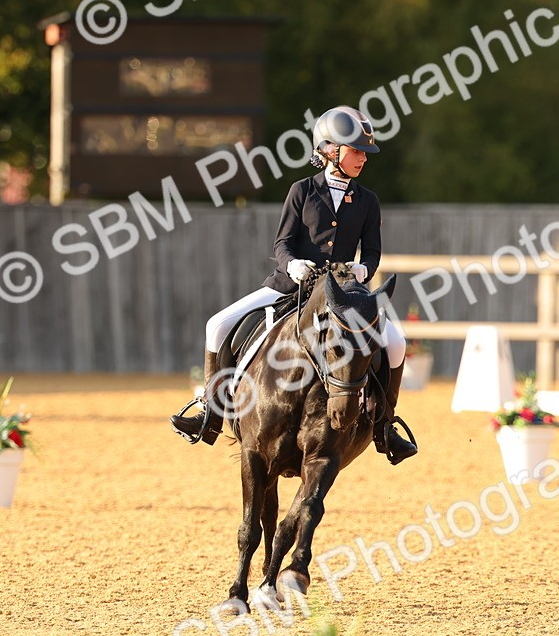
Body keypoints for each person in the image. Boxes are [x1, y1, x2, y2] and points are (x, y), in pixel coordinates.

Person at [170, 105, 418, 464]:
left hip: (341, 292)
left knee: (395, 342)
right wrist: (294, 264)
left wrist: (363, 270)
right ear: (330, 150)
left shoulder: (367, 201)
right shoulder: (302, 190)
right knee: (217, 325)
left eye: (365, 153)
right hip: (291, 284)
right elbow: (281, 244)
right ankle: (210, 412)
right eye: (356, 151)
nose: (363, 158)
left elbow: (373, 253)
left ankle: (385, 427)